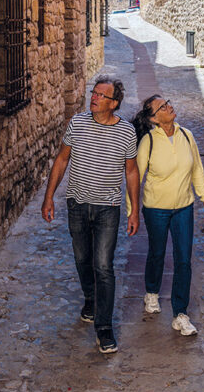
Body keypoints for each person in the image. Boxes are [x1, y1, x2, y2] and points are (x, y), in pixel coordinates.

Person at [42, 76, 141, 354]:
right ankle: (90, 297)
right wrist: (49, 196)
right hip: (77, 205)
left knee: (104, 266)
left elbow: (131, 171)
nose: (94, 98)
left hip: (108, 209)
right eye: (94, 93)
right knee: (82, 259)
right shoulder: (78, 123)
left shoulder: (127, 132)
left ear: (114, 103)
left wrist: (135, 210)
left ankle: (104, 327)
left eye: (100, 95)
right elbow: (62, 159)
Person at [131, 95, 204, 336]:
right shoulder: (148, 142)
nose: (169, 106)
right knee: (157, 253)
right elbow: (136, 177)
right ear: (154, 118)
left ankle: (180, 313)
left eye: (167, 102)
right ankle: (152, 292)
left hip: (184, 207)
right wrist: (132, 211)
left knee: (183, 259)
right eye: (162, 106)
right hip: (156, 208)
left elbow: (197, 166)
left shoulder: (186, 135)